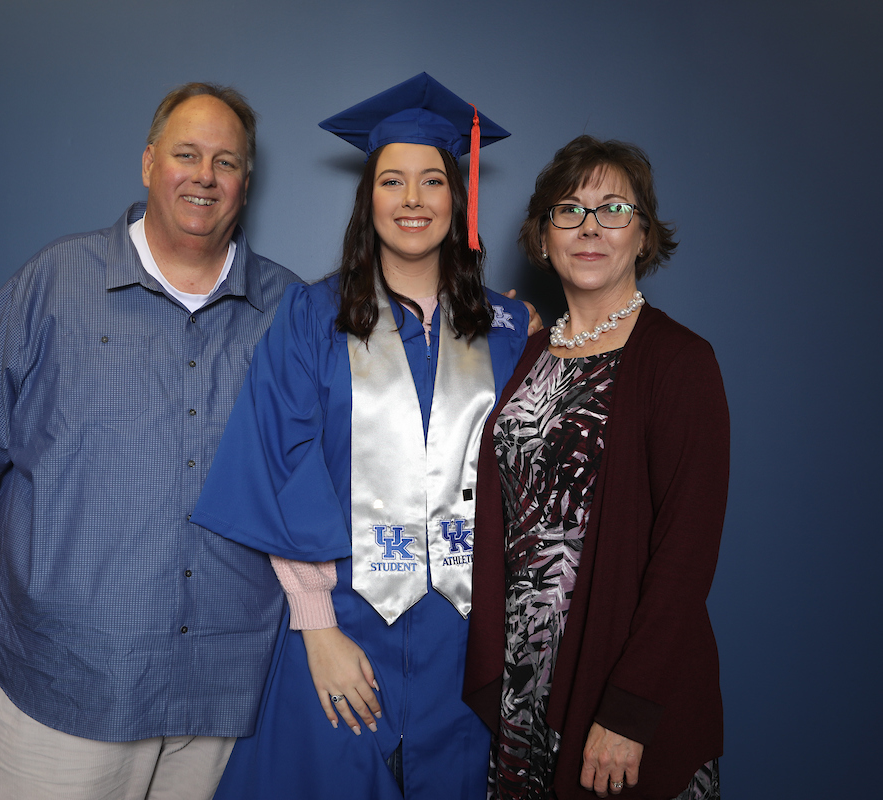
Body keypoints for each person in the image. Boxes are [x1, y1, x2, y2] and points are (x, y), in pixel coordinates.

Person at [0, 82, 301, 800]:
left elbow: (376, 398)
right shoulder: (54, 283)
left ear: (246, 182)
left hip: (224, 689)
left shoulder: (290, 310)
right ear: (149, 162)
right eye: (186, 154)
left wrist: (492, 323)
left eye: (226, 161)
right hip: (70, 682)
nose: (204, 176)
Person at [189, 74, 529, 800]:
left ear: (456, 200)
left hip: (471, 640)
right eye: (393, 182)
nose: (413, 201)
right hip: (346, 626)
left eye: (432, 181)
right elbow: (282, 461)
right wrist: (317, 629)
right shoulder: (314, 317)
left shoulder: (510, 330)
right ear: (367, 199)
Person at [464, 135, 729, 800]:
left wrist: (629, 709)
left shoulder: (679, 362)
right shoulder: (525, 356)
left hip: (622, 682)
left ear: (642, 236)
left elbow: (686, 554)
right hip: (526, 690)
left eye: (613, 209)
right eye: (569, 211)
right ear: (543, 235)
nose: (589, 229)